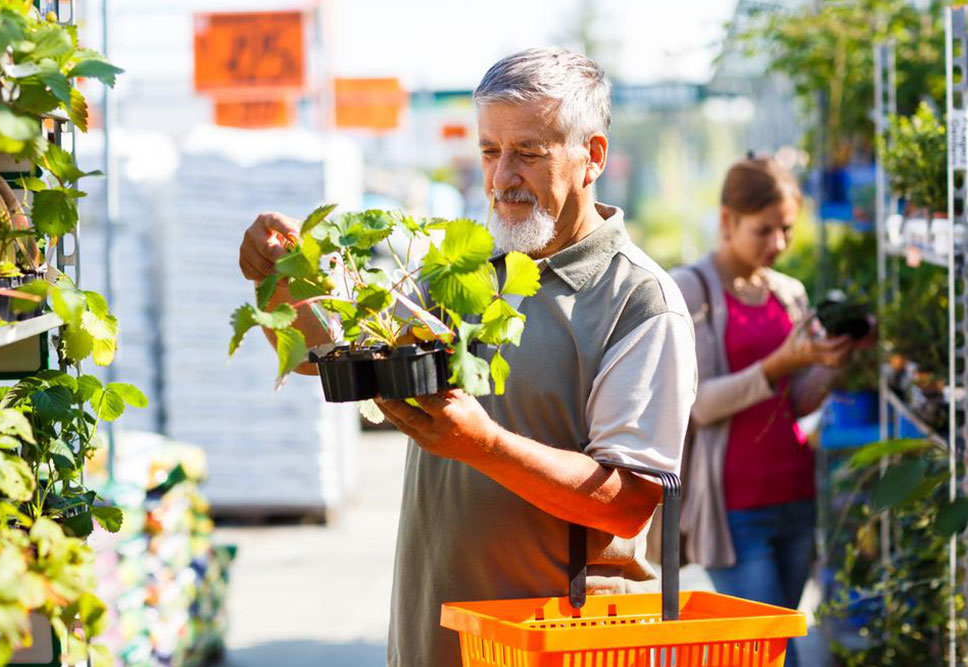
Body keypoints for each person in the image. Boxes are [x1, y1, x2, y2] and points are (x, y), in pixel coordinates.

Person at [238, 48, 697, 667]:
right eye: (489, 151)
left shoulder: (637, 302)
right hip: (435, 639)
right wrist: (283, 280)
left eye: (528, 152)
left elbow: (630, 500)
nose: (502, 176)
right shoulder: (465, 271)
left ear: (592, 157)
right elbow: (320, 352)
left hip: (559, 647)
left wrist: (483, 444)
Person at [673, 156, 858, 667]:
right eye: (764, 230)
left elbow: (796, 401)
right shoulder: (691, 290)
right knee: (770, 652)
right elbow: (698, 405)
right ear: (727, 220)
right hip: (735, 509)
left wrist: (834, 360)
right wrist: (782, 362)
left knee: (776, 641)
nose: (778, 244)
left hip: (796, 495)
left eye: (787, 229)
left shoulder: (787, 292)